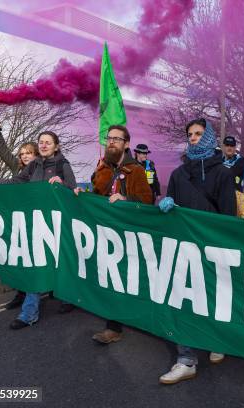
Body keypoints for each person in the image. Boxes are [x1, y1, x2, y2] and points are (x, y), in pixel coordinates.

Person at [157, 118, 236, 384]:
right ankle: (186, 359)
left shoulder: (224, 173)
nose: (193, 138)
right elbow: (173, 210)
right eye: (190, 134)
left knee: (212, 298)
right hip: (185, 249)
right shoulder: (179, 174)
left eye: (198, 133)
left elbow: (228, 218)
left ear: (210, 137)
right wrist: (165, 203)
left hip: (212, 250)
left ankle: (217, 339)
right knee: (183, 300)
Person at [0, 131, 78, 329]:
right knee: (37, 264)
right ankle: (29, 314)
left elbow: (73, 191)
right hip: (36, 225)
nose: (43, 145)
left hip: (55, 226)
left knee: (59, 261)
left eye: (48, 142)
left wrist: (63, 185)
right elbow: (16, 182)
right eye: (41, 142)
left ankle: (67, 296)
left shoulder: (63, 165)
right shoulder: (34, 165)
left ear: (56, 146)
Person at [87, 126, 154, 344]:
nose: (112, 142)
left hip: (129, 234)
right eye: (110, 138)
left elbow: (147, 201)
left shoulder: (136, 170)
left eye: (117, 139)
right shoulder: (102, 167)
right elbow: (96, 194)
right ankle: (113, 327)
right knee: (111, 279)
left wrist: (126, 200)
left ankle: (145, 317)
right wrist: (81, 195)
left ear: (126, 144)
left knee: (133, 279)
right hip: (106, 233)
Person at [0, 117, 38, 310]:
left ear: (36, 155)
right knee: (19, 258)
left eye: (29, 153)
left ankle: (57, 294)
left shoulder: (42, 171)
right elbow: (3, 151)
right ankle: (21, 292)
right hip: (19, 221)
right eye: (22, 153)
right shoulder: (17, 168)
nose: (25, 156)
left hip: (38, 222)